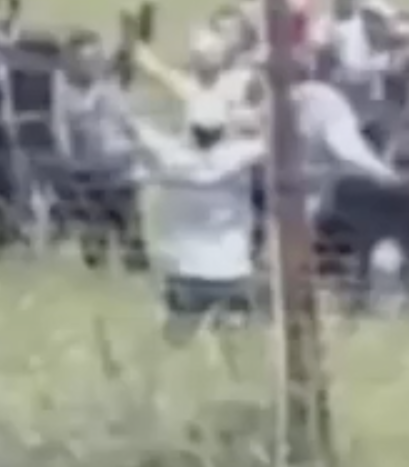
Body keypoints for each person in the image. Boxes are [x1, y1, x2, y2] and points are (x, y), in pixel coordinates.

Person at [125, 93, 265, 342]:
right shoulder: (243, 156)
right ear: (223, 129)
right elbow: (276, 137)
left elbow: (136, 127)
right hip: (232, 272)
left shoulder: (166, 157)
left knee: (177, 340)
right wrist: (250, 120)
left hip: (183, 271)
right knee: (234, 343)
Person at [53, 27, 148, 272]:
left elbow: (132, 48)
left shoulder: (115, 81)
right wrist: (68, 175)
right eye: (86, 59)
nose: (94, 64)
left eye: (98, 57)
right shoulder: (64, 90)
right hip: (88, 180)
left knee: (134, 246)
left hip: (122, 177)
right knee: (94, 254)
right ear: (71, 62)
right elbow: (60, 132)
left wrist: (134, 21)